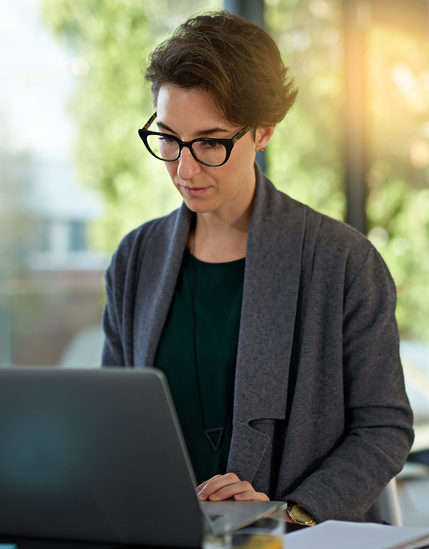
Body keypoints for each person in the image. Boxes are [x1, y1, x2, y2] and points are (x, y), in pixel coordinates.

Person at [101, 11, 413, 524]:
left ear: (263, 132)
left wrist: (285, 515)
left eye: (210, 142)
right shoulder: (136, 258)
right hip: (162, 530)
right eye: (169, 138)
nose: (184, 168)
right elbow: (113, 416)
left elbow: (384, 429)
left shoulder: (343, 262)